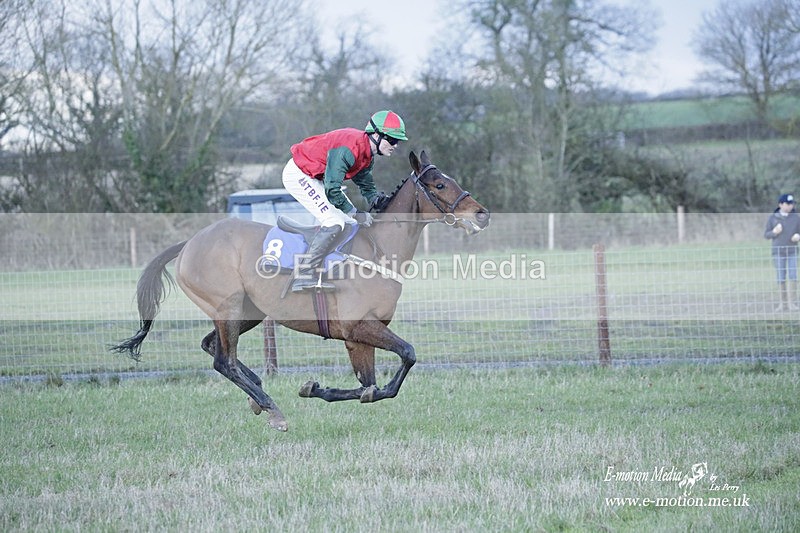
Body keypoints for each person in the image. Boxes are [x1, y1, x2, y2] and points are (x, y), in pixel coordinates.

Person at [281, 110, 408, 292]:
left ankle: (332, 267)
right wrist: (355, 212)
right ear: (376, 135)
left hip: (316, 176)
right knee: (335, 222)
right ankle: (304, 275)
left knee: (349, 222)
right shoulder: (348, 149)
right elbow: (332, 190)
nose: (395, 145)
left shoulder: (367, 154)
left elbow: (365, 185)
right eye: (393, 140)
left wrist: (377, 200)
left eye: (398, 141)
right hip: (299, 173)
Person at [764, 193, 800, 311]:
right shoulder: (773, 218)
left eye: (792, 204)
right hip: (778, 252)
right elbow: (766, 235)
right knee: (780, 277)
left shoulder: (796, 217)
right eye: (788, 204)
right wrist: (774, 232)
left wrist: (798, 236)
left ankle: (792, 303)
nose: (790, 206)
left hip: (792, 251)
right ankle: (782, 304)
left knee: (793, 276)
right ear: (780, 204)